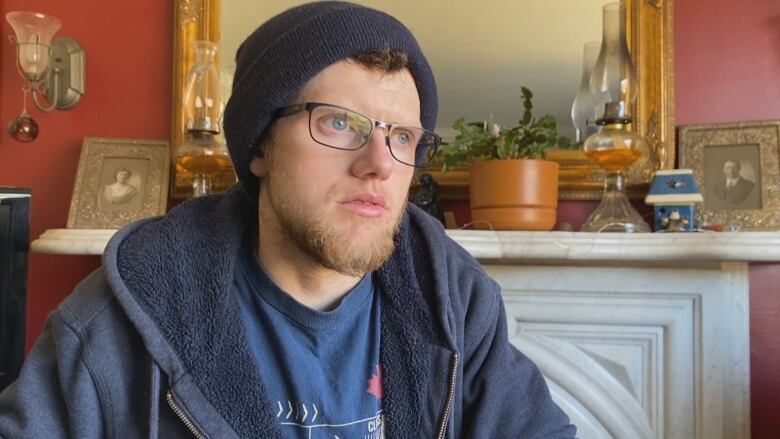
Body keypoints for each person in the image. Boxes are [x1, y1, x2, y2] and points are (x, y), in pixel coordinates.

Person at [0, 2, 576, 437]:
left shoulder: (453, 301)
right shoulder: (120, 319)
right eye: (338, 123)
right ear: (260, 148)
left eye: (401, 136)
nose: (378, 165)